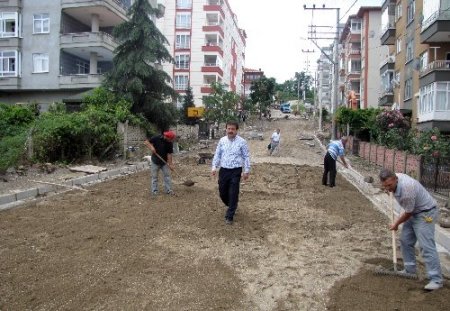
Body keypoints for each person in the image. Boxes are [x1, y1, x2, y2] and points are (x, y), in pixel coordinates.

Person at [379, 168, 443, 291]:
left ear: (396, 179)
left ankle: (436, 280)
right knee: (405, 240)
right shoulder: (392, 178)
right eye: (385, 186)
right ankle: (410, 270)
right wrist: (388, 189)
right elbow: (409, 211)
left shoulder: (407, 189)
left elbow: (408, 213)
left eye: (390, 185)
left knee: (426, 246)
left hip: (426, 213)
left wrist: (396, 224)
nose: (387, 188)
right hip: (414, 211)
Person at [212, 121, 251, 225]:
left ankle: (230, 216)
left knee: (233, 192)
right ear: (226, 129)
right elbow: (217, 154)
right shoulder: (222, 141)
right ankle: (232, 205)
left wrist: (246, 171)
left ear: (236, 130)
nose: (230, 131)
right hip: (224, 170)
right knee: (222, 192)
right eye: (228, 129)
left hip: (236, 170)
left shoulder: (242, 142)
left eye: (232, 129)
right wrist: (214, 167)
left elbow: (246, 156)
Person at [144, 130, 176, 196]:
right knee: (154, 177)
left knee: (167, 176)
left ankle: (169, 190)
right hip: (155, 161)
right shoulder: (156, 138)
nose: (172, 140)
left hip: (164, 162)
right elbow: (146, 142)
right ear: (166, 137)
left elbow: (169, 154)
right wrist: (151, 147)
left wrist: (170, 164)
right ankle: (154, 191)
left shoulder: (170, 143)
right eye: (171, 139)